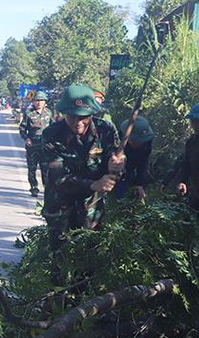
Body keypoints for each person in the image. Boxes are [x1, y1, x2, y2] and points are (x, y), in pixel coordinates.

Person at [40, 84, 122, 259]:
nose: (78, 123)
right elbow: (58, 177)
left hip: (93, 210)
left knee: (90, 260)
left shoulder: (106, 130)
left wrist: (117, 166)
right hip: (60, 208)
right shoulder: (51, 135)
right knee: (61, 261)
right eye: (72, 117)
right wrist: (94, 184)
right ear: (64, 113)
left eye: (83, 117)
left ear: (92, 113)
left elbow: (115, 160)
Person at [18, 91, 53, 197]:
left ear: (45, 102)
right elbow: (22, 128)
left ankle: (47, 189)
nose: (39, 103)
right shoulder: (29, 114)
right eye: (37, 100)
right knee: (32, 168)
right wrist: (26, 138)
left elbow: (54, 127)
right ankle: (34, 188)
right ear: (33, 102)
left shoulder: (49, 113)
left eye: (41, 100)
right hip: (32, 146)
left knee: (45, 169)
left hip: (45, 146)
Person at [114, 116, 154, 200]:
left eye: (141, 141)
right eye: (136, 141)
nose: (139, 144)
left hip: (131, 167)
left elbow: (143, 163)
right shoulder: (117, 141)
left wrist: (139, 184)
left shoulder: (146, 144)